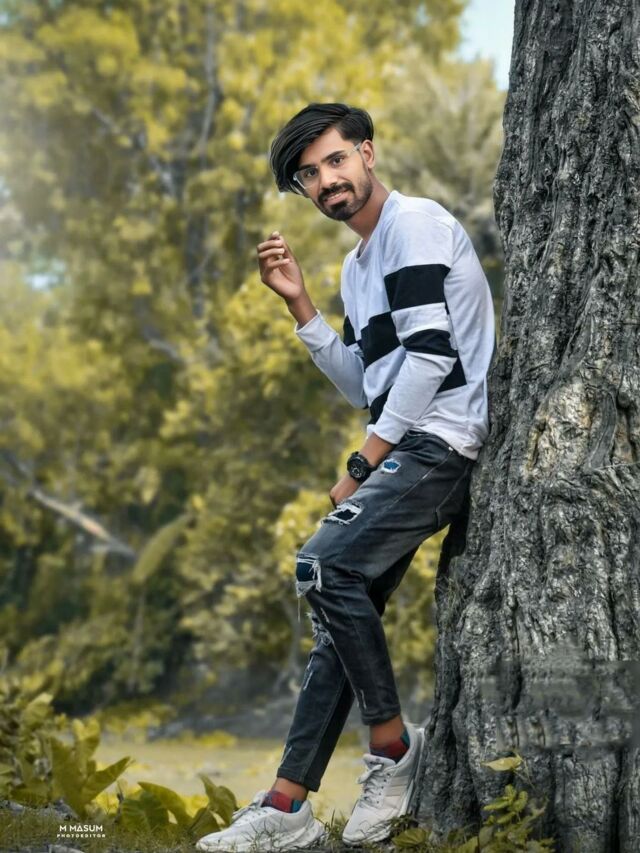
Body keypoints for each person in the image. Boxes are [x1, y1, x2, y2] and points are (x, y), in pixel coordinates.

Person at [196, 102, 495, 852]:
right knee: (337, 614)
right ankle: (287, 803)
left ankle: (394, 750)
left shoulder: (413, 226)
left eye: (335, 160)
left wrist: (363, 463)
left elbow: (431, 358)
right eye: (309, 175)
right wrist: (301, 303)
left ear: (367, 152)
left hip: (441, 443)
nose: (326, 180)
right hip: (407, 444)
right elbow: (367, 381)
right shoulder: (359, 265)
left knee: (322, 566)